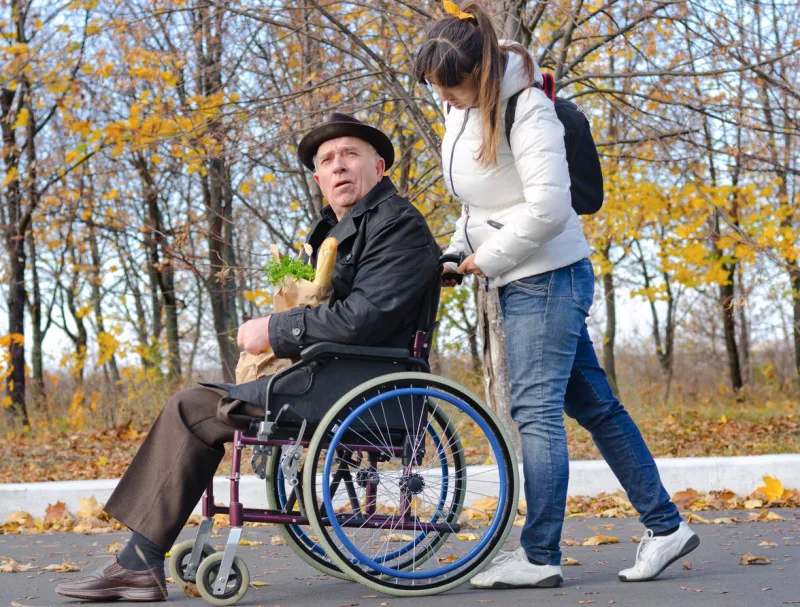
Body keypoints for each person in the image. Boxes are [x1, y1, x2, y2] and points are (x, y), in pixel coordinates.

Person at [55, 112, 440, 602]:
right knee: (197, 403)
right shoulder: (333, 232)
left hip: (367, 382)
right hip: (335, 372)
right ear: (319, 180)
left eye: (351, 154)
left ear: (379, 166)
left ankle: (137, 562)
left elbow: (363, 318)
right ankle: (139, 559)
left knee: (193, 407)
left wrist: (274, 331)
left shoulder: (396, 224)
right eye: (327, 160)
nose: (339, 166)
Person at [413, 1, 699, 589]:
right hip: (524, 274)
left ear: (482, 76)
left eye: (453, 90)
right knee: (596, 407)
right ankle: (665, 527)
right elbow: (485, 202)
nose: (445, 101)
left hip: (545, 276)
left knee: (535, 413)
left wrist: (482, 261)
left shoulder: (530, 110)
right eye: (436, 90)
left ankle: (540, 555)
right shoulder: (465, 109)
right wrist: (454, 252)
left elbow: (548, 208)